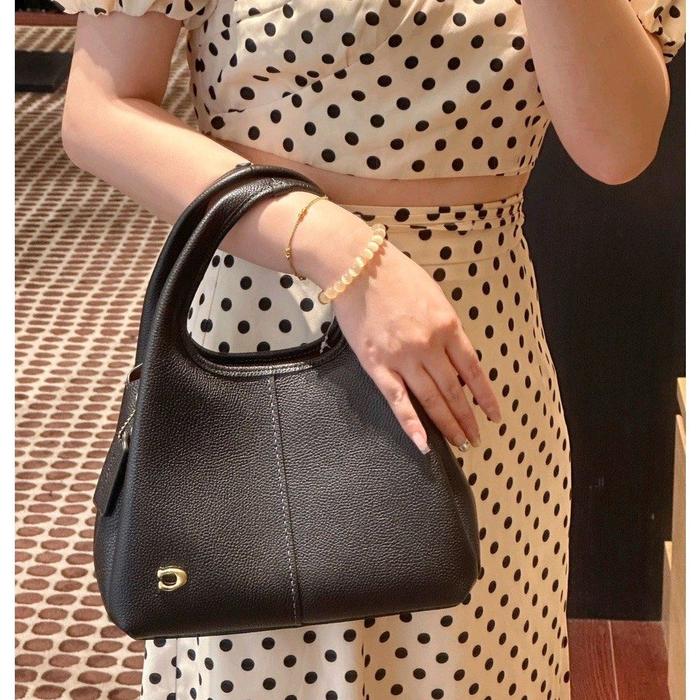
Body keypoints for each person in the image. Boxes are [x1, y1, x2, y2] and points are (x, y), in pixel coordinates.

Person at [56, 1, 685, 698]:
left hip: (475, 359)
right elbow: (102, 110)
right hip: (265, 330)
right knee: (267, 647)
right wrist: (348, 257)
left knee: (471, 658)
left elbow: (617, 148)